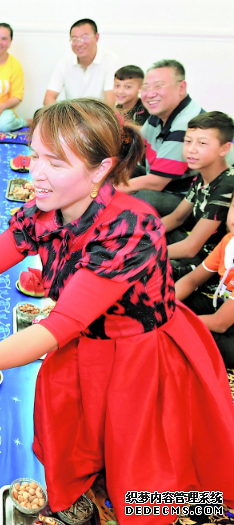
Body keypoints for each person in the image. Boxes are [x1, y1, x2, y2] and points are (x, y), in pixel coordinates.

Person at [0, 99, 234, 523]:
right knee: (86, 451)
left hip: (141, 358)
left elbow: (58, 325)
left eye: (55, 163)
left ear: (100, 170)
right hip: (87, 345)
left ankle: (190, 505)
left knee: (146, 484)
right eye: (36, 155)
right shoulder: (46, 211)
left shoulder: (131, 226)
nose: (37, 173)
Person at [117, 60, 232, 216]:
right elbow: (134, 145)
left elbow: (157, 182)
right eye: (145, 87)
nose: (150, 93)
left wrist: (109, 187)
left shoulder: (186, 124)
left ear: (181, 87)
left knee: (138, 198)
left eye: (158, 86)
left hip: (188, 197)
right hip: (167, 183)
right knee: (123, 167)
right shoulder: (159, 114)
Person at [159, 112, 234, 281]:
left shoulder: (228, 184)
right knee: (152, 226)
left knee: (144, 269)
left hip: (209, 265)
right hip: (194, 246)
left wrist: (143, 251)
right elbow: (176, 217)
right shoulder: (203, 175)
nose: (191, 149)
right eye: (188, 141)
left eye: (202, 143)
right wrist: (144, 234)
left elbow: (190, 248)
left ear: (225, 148)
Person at [176, 206, 234, 369]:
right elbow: (192, 280)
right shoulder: (229, 241)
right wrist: (163, 304)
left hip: (226, 324)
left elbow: (219, 323)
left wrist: (172, 320)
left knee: (189, 335)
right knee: (177, 303)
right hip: (224, 306)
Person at [43, 19, 119, 107]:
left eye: (84, 38)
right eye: (74, 39)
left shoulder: (111, 60)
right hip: (73, 117)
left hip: (99, 117)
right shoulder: (64, 63)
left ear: (96, 37)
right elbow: (48, 99)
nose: (79, 44)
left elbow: (110, 102)